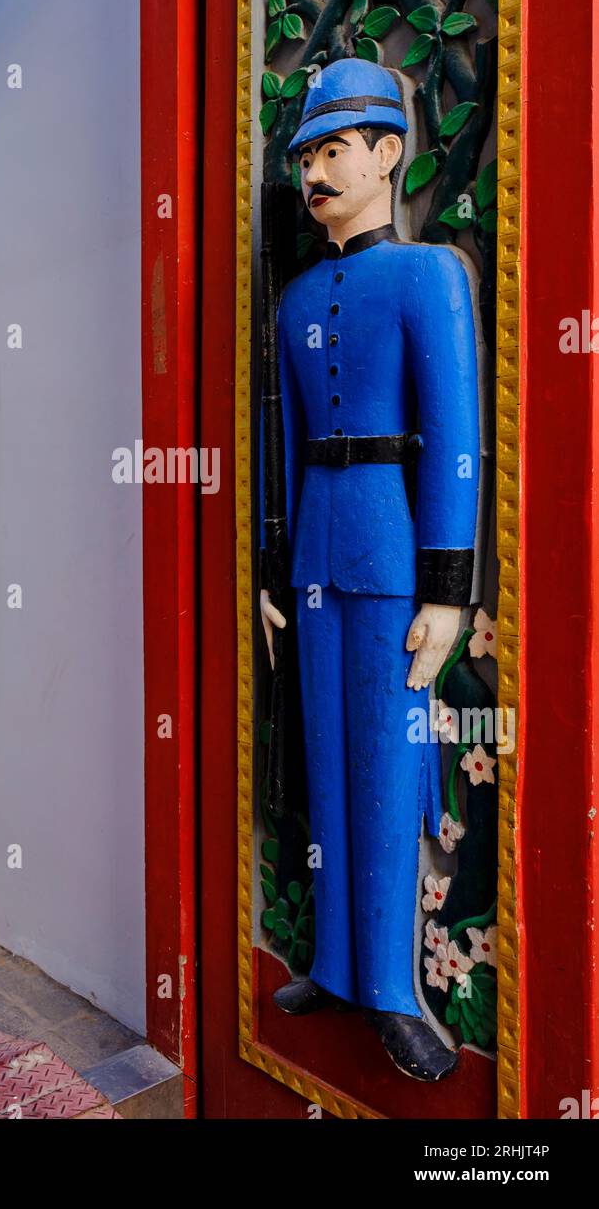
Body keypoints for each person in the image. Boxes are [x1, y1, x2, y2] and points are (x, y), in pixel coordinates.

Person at [259, 58, 480, 1081]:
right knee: (326, 762)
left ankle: (392, 990)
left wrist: (446, 591)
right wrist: (270, 566)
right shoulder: (296, 296)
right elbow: (280, 443)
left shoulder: (427, 276)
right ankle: (337, 965)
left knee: (388, 768)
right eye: (304, 155)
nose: (313, 172)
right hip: (311, 553)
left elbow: (453, 437)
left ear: (386, 153)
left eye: (331, 150)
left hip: (394, 552)